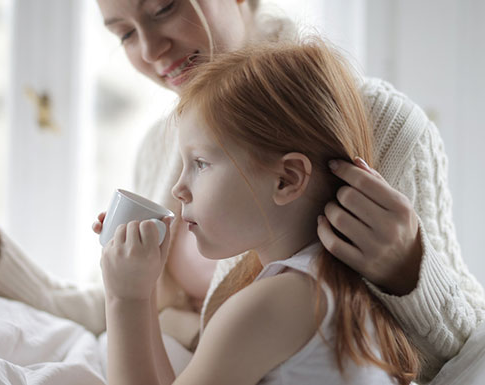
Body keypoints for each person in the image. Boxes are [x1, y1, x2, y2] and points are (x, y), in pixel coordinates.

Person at [0, 0, 485, 382]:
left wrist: (407, 269)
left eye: (165, 5)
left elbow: (473, 353)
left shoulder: (376, 124)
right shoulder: (162, 141)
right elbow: (116, 309)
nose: (149, 49)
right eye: (123, 33)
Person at [102, 39, 421, 385]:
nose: (179, 189)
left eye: (201, 163)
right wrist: (144, 290)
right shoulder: (335, 287)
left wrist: (125, 299)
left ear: (286, 180)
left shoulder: (271, 305)